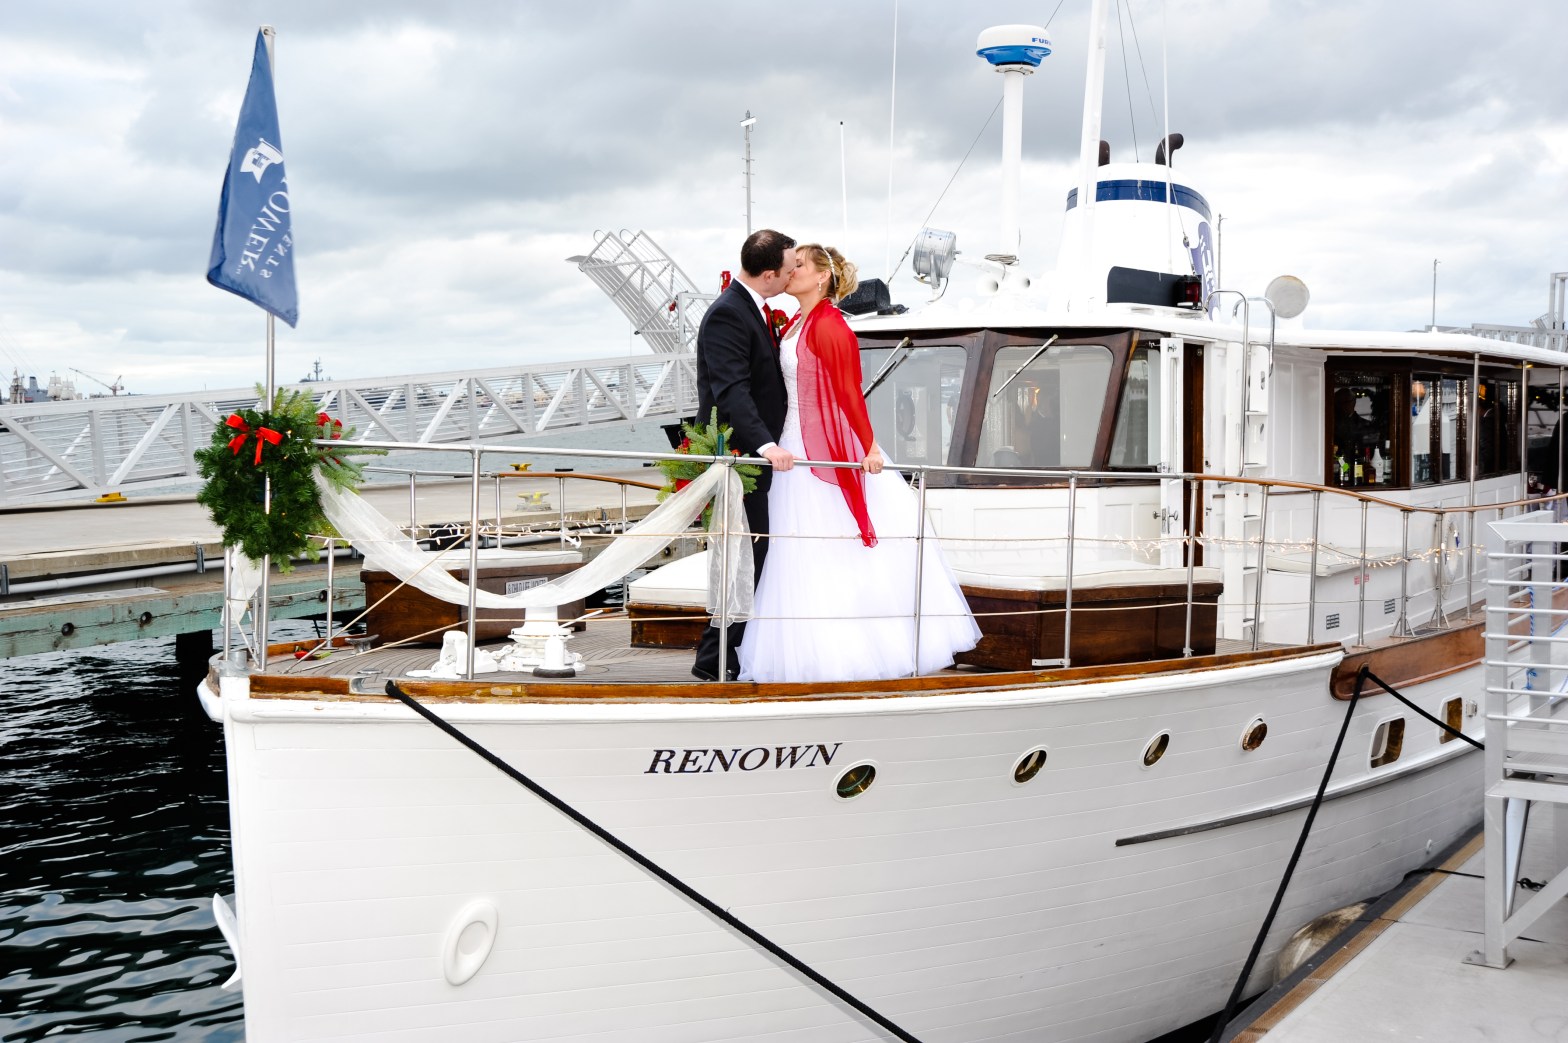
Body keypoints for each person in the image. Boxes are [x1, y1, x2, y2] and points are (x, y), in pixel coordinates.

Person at [737, 244, 981, 683]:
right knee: (798, 551)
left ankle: (848, 654)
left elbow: (849, 391)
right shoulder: (796, 323)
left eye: (799, 265)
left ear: (822, 277)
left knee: (829, 547)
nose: (791, 270)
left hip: (821, 451)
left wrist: (868, 448)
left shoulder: (831, 325)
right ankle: (805, 652)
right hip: (793, 444)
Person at [691, 229, 798, 682]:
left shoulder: (751, 308)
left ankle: (732, 652)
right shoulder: (728, 314)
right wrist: (766, 445)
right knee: (746, 555)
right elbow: (731, 390)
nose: (793, 275)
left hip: (754, 455)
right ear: (769, 274)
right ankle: (714, 658)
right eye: (789, 269)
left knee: (753, 553)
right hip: (740, 457)